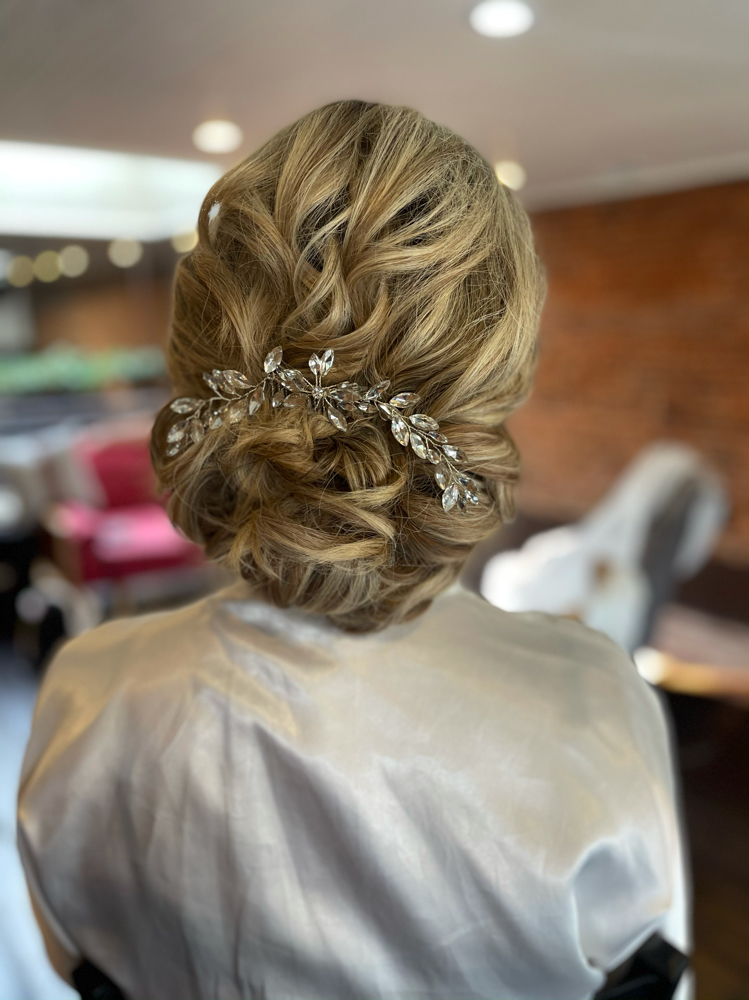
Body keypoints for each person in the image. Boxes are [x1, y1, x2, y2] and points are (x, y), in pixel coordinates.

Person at [17, 100, 690, 1000]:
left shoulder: (91, 700)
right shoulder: (588, 705)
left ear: (197, 355)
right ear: (495, 374)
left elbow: (73, 965)